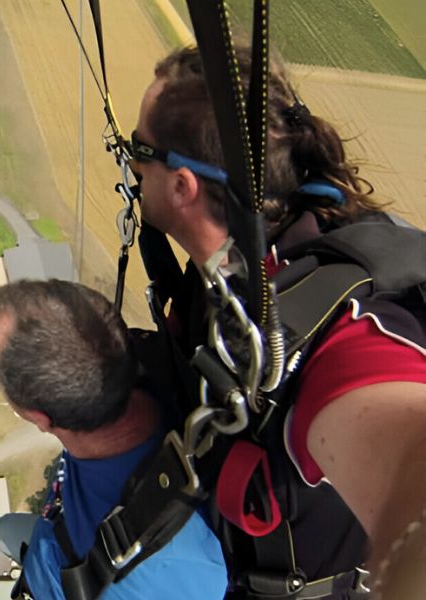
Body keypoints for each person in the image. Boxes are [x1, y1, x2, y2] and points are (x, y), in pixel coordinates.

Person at [130, 46, 426, 596]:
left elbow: (405, 449)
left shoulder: (341, 335)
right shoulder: (241, 264)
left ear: (181, 186)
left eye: (137, 150)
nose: (129, 165)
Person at [0, 279, 227, 599]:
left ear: (40, 419)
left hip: (108, 568)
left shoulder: (92, 568)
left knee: (2, 531)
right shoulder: (159, 364)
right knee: (4, 530)